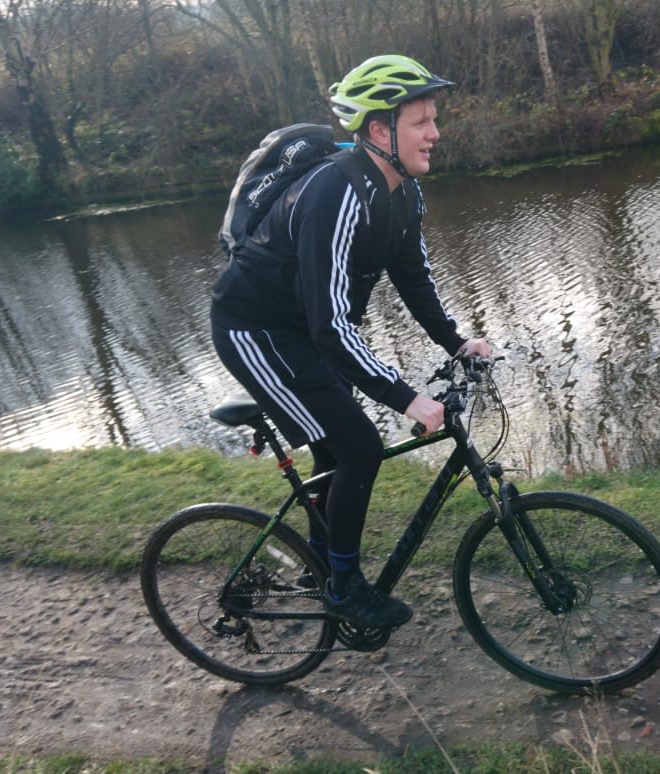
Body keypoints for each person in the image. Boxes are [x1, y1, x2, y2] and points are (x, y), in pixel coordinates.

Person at [210, 55, 491, 629]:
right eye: (421, 122)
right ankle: (344, 588)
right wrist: (408, 398)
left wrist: (457, 342)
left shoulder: (402, 193)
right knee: (359, 446)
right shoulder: (335, 193)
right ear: (379, 130)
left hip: (304, 331)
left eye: (434, 119)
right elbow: (331, 326)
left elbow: (414, 278)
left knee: (337, 452)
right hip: (255, 330)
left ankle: (319, 569)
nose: (435, 133)